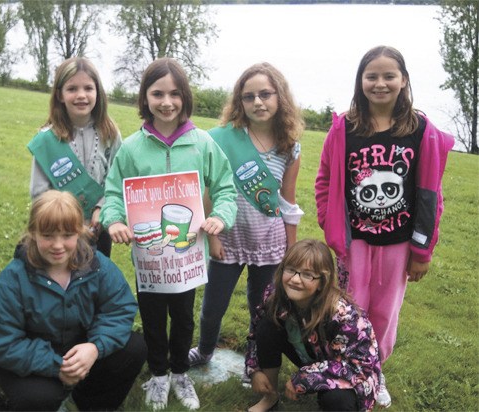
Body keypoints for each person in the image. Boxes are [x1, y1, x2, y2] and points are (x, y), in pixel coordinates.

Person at [314, 45, 455, 408]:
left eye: (389, 75)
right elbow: (325, 180)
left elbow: (430, 195)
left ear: (403, 80)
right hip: (354, 241)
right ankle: (347, 368)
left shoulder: (420, 129)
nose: (380, 83)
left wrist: (423, 250)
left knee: (384, 312)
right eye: (371, 76)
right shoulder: (344, 128)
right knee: (349, 309)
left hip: (399, 243)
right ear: (360, 81)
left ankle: (375, 371)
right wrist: (329, 225)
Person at [99, 57, 237, 410]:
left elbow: (225, 186)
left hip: (188, 259)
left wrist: (220, 216)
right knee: (153, 317)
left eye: (175, 94)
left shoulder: (203, 143)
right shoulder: (131, 148)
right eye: (157, 93)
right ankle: (158, 374)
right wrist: (114, 221)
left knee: (185, 317)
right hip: (149, 259)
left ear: (185, 97)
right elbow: (113, 192)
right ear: (144, 98)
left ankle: (180, 372)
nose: (166, 102)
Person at [188, 62, 304, 377]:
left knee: (262, 310)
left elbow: (287, 202)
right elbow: (208, 191)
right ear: (240, 102)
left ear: (280, 97)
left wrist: (290, 251)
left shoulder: (289, 148)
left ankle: (253, 362)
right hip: (226, 239)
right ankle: (205, 350)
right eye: (248, 96)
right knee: (213, 306)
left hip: (269, 243)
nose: (258, 102)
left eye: (265, 94)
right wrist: (212, 237)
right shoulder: (221, 140)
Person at [0, 190, 146, 411]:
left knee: (134, 349)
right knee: (38, 399)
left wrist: (95, 347)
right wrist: (56, 366)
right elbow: (3, 342)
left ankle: (88, 403)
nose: (58, 245)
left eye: (67, 235)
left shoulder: (98, 265)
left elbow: (119, 309)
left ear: (79, 233)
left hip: (80, 348)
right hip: (34, 360)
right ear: (33, 233)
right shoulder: (11, 280)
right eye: (48, 235)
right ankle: (45, 397)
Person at [245, 239, 381, 412]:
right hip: (313, 353)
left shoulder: (344, 316)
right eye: (291, 270)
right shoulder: (275, 295)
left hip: (353, 372)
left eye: (307, 275)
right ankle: (270, 396)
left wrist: (304, 378)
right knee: (266, 325)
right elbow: (255, 333)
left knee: (337, 400)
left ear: (322, 281)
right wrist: (255, 370)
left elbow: (357, 368)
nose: (295, 279)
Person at [29, 57, 122, 257]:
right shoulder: (46, 140)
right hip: (60, 234)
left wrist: (101, 208)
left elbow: (117, 179)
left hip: (99, 228)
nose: (81, 95)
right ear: (60, 95)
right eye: (72, 89)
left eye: (88, 88)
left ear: (98, 92)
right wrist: (70, 225)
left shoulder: (110, 134)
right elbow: (39, 193)